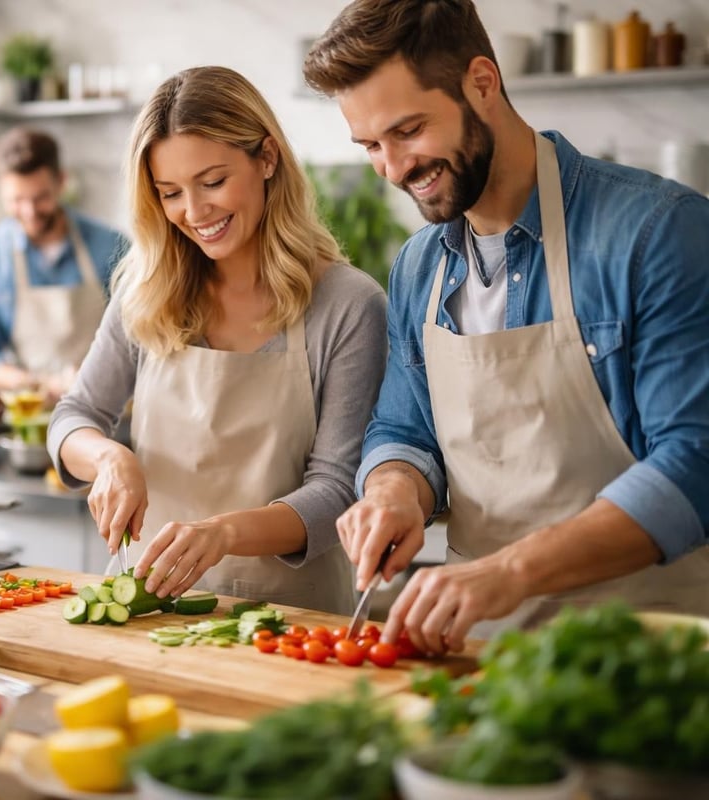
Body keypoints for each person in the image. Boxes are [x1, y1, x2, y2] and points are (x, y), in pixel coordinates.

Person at [303, 0, 709, 653]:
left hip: (649, 654)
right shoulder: (418, 268)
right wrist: (394, 490)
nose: (393, 168)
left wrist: (511, 571)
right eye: (371, 145)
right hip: (480, 653)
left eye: (408, 130)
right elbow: (404, 430)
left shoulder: (657, 233)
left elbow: (696, 462)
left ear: (482, 84)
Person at [47, 66, 387, 613]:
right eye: (170, 193)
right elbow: (73, 416)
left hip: (287, 618)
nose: (194, 212)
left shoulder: (348, 304)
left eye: (212, 182)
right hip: (146, 606)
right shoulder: (144, 288)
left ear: (267, 159)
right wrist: (110, 458)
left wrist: (221, 534)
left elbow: (337, 490)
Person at [0, 126, 130, 404]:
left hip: (104, 406)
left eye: (41, 197)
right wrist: (31, 383)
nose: (30, 213)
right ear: (1, 190)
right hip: (30, 412)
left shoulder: (112, 247)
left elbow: (139, 336)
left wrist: (95, 373)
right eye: (17, 200)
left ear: (61, 182)